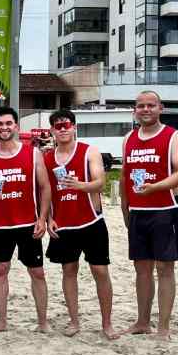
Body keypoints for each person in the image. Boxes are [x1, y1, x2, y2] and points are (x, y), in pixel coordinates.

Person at [120, 90, 178, 340]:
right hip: (138, 212)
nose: (146, 109)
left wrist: (156, 187)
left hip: (165, 210)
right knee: (141, 269)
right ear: (135, 110)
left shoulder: (174, 136)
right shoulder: (129, 137)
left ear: (161, 108)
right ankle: (142, 321)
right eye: (141, 106)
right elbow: (124, 175)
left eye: (151, 105)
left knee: (165, 269)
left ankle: (163, 326)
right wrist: (124, 207)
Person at [42, 109, 117, 340]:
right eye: (58, 126)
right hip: (63, 223)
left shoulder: (88, 151)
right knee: (69, 271)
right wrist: (47, 219)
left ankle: (107, 323)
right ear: (52, 131)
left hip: (90, 220)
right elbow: (44, 192)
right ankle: (74, 321)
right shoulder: (46, 158)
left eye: (67, 125)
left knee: (100, 271)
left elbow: (100, 183)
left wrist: (79, 185)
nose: (63, 129)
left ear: (74, 127)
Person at [0, 106, 52, 333]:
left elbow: (45, 187)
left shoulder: (32, 153)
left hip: (27, 222)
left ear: (16, 126)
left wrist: (42, 218)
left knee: (37, 272)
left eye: (8, 123)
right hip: (0, 223)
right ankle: (1, 321)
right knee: (1, 270)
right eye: (0, 124)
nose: (4, 127)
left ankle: (42, 322)